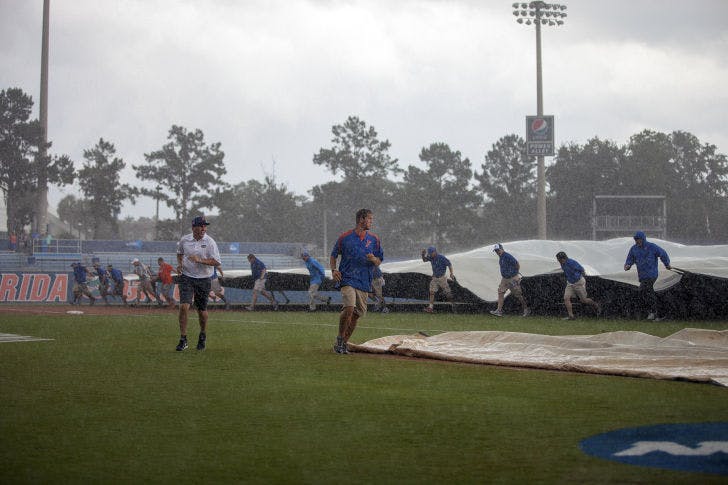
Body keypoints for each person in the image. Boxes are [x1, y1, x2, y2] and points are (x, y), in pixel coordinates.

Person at [330, 208, 383, 354]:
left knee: (357, 314)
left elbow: (379, 261)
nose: (371, 222)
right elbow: (333, 255)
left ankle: (342, 344)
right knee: (349, 308)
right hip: (347, 278)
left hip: (364, 282)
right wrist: (334, 270)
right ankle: (340, 338)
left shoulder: (374, 239)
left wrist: (374, 259)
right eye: (370, 219)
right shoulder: (345, 237)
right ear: (361, 219)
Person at [175, 215, 221, 351]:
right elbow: (179, 253)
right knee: (183, 307)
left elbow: (217, 262)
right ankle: (183, 339)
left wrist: (200, 260)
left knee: (201, 311)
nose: (203, 228)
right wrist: (179, 264)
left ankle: (202, 335)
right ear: (193, 227)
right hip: (187, 277)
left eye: (204, 226)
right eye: (201, 226)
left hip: (204, 279)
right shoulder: (185, 240)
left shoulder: (210, 242)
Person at [624, 230, 672, 321]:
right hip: (642, 276)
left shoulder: (652, 247)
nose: (637, 241)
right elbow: (630, 258)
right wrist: (628, 265)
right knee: (646, 292)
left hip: (652, 274)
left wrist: (667, 264)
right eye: (636, 239)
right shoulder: (634, 249)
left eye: (638, 239)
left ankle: (653, 312)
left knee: (645, 291)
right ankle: (655, 312)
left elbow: (663, 253)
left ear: (643, 239)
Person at [556, 251, 601, 320]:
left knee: (584, 300)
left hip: (578, 283)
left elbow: (582, 269)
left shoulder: (572, 262)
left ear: (563, 259)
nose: (558, 261)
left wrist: (578, 278)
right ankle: (571, 316)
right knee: (566, 298)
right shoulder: (562, 264)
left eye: (559, 259)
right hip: (570, 283)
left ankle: (596, 305)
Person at [490, 243, 530, 317]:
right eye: (495, 251)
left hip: (512, 278)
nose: (497, 252)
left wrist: (515, 274)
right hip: (505, 279)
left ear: (502, 249)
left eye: (498, 250)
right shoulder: (501, 257)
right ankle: (499, 311)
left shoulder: (507, 256)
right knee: (500, 292)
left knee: (518, 295)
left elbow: (517, 264)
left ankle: (526, 309)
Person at [421, 246, 455, 313]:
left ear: (435, 252)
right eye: (430, 253)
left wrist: (451, 273)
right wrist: (423, 254)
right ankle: (430, 308)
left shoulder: (441, 257)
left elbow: (449, 264)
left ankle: (453, 305)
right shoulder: (431, 257)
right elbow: (424, 260)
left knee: (448, 293)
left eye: (432, 253)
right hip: (435, 278)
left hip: (442, 278)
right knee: (432, 292)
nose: (431, 255)